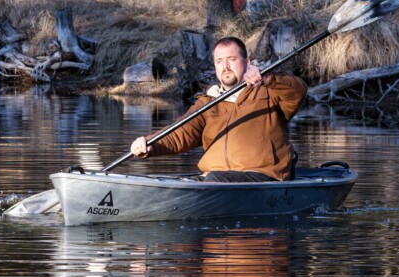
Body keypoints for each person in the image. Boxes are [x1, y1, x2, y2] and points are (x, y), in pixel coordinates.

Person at [130, 36, 307, 182]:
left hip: (262, 176)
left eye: (232, 59)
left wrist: (268, 77)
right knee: (181, 182)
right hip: (213, 179)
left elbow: (297, 90)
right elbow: (180, 132)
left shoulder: (270, 91)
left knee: (213, 179)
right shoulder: (208, 102)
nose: (226, 66)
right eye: (219, 61)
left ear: (246, 62)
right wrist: (149, 144)